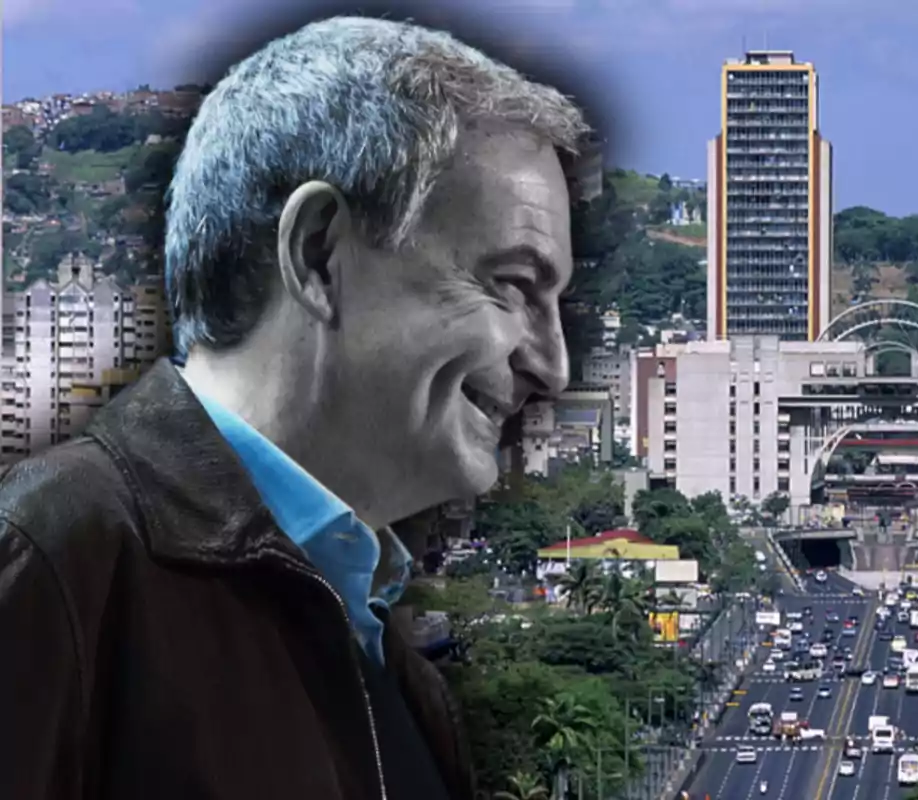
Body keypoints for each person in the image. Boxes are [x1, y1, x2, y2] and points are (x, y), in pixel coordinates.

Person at [0, 16, 588, 800]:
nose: (552, 363)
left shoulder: (402, 680)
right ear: (318, 255)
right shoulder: (58, 564)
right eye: (512, 285)